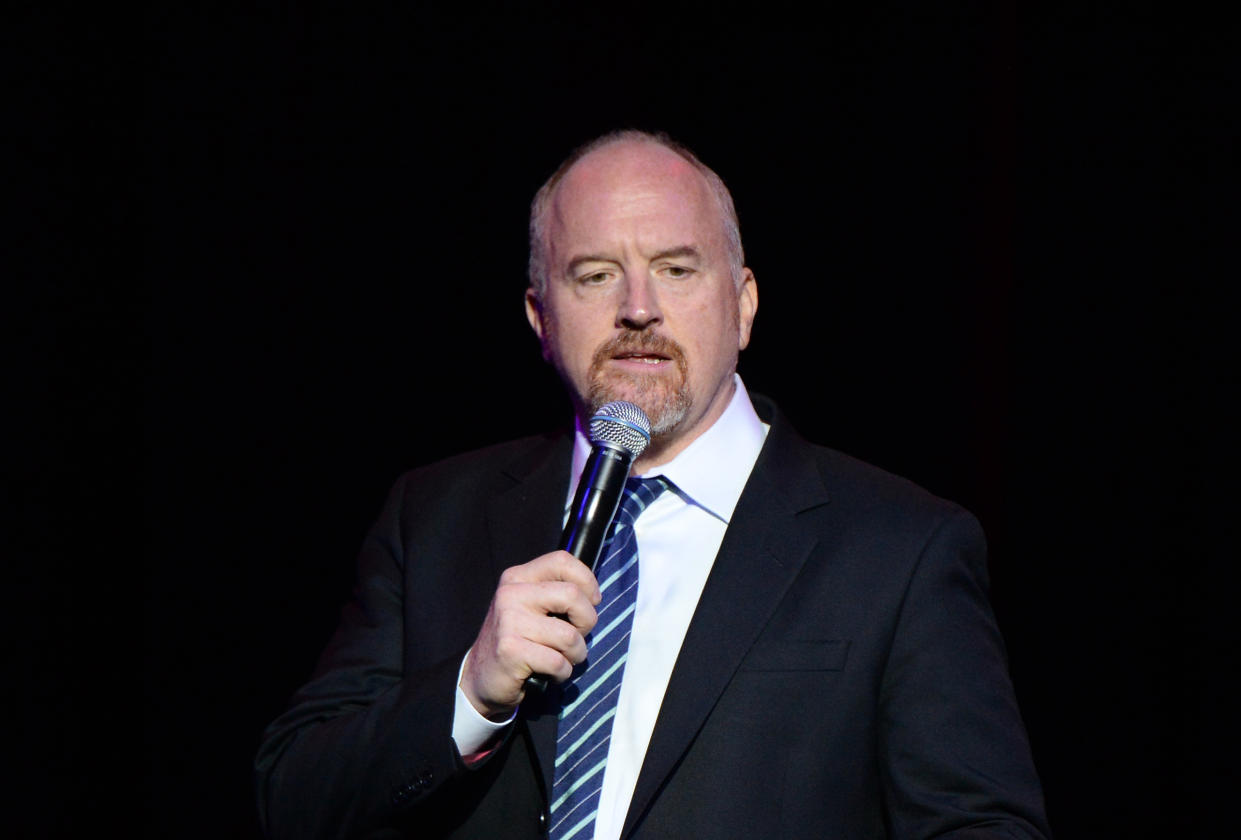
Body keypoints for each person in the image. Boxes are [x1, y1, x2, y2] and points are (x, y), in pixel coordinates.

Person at [254, 130, 1050, 839]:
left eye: (675, 269)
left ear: (741, 305)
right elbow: (293, 798)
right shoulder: (432, 517)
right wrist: (470, 693)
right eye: (595, 275)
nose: (638, 308)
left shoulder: (899, 548)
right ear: (540, 317)